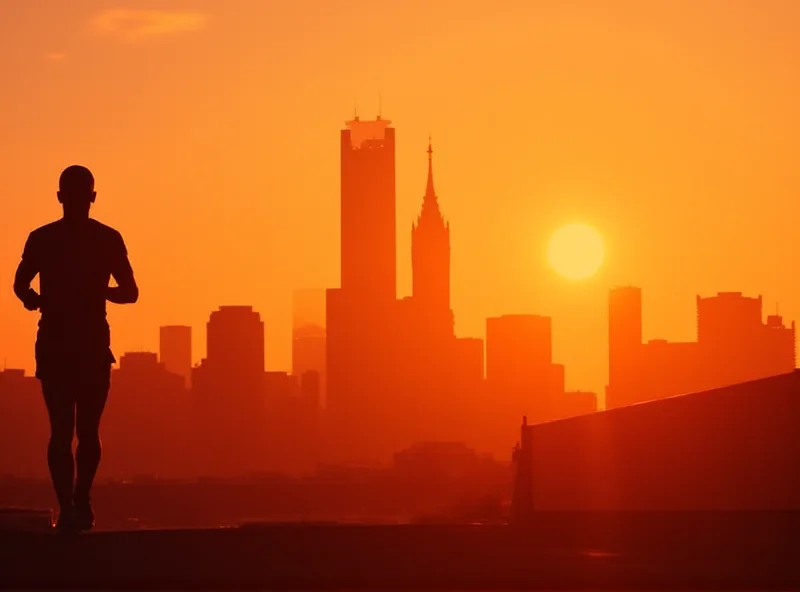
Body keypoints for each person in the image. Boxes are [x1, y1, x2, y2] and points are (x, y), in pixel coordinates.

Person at [13, 165, 138, 532]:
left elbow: (20, 285)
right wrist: (99, 292)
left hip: (56, 343)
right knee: (87, 431)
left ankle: (70, 507)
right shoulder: (108, 239)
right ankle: (80, 501)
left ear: (59, 196)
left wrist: (34, 300)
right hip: (90, 344)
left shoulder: (41, 238)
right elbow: (130, 293)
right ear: (93, 197)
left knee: (61, 430)